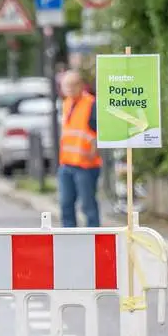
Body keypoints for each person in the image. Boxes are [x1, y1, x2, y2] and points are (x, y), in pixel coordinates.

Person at [57, 71, 100, 228]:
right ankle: (70, 239)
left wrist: (94, 151)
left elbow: (97, 132)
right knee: (65, 204)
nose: (69, 88)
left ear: (81, 85)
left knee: (88, 206)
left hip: (86, 165)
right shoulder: (66, 103)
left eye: (73, 84)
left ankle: (95, 240)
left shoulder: (91, 104)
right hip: (67, 163)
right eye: (66, 85)